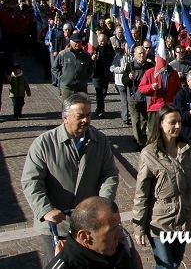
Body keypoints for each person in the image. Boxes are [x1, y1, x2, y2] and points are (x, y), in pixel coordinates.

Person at [21, 93, 119, 266]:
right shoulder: (44, 144)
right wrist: (45, 210)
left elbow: (109, 174)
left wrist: (102, 204)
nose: (85, 120)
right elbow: (31, 182)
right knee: (58, 262)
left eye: (88, 115)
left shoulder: (100, 140)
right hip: (57, 223)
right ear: (65, 117)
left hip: (88, 224)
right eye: (80, 116)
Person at [133, 105, 191, 268]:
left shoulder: (190, 148)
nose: (177, 126)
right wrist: (138, 227)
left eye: (179, 122)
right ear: (160, 124)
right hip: (159, 221)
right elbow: (141, 193)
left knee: (175, 263)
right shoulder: (149, 154)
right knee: (166, 265)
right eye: (172, 122)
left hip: (184, 218)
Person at [44, 196, 133, 269]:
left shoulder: (118, 254)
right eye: (111, 230)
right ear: (84, 236)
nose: (120, 235)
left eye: (118, 226)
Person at [122, 46, 154, 149]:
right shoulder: (130, 66)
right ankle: (138, 141)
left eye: (143, 53)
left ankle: (140, 134)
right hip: (133, 97)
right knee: (135, 120)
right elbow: (124, 81)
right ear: (134, 54)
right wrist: (128, 78)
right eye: (139, 53)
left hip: (146, 97)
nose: (142, 55)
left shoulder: (149, 66)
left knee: (144, 119)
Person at [138, 63, 181, 137]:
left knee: (168, 131)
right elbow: (141, 88)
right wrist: (151, 87)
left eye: (166, 58)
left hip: (168, 107)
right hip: (154, 107)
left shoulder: (173, 73)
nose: (164, 61)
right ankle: (152, 147)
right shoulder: (150, 72)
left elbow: (178, 90)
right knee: (153, 132)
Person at [52, 34, 94, 102]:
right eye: (76, 42)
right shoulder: (63, 54)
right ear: (71, 42)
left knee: (81, 109)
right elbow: (54, 68)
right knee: (67, 110)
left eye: (79, 42)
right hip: (67, 88)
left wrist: (85, 79)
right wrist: (63, 78)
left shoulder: (86, 55)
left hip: (81, 88)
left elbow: (91, 69)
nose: (77, 44)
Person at [91, 33, 115, 118]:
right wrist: (92, 59)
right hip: (96, 74)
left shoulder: (109, 48)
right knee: (99, 92)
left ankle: (99, 107)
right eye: (101, 41)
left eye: (104, 41)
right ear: (98, 41)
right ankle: (101, 110)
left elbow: (113, 58)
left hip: (105, 73)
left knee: (104, 92)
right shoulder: (94, 49)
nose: (102, 43)